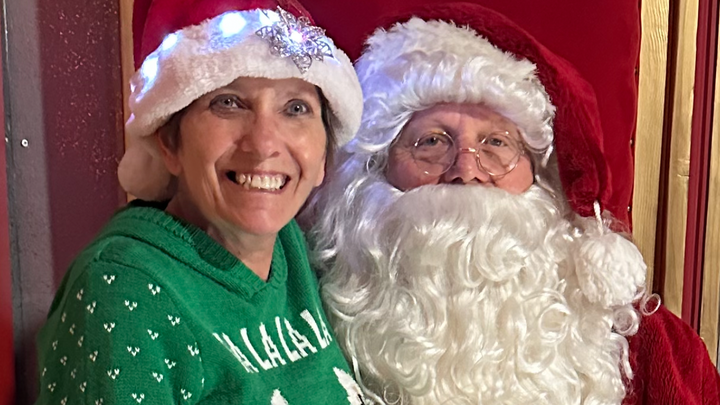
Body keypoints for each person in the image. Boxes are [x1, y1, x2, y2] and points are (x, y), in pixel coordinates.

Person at [308, 3, 720, 404]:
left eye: (496, 144)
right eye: (431, 142)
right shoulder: (303, 324)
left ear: (540, 176)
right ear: (375, 169)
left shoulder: (658, 352)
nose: (466, 170)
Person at [34, 0, 368, 403]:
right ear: (168, 141)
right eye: (228, 102)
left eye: (296, 108)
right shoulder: (125, 290)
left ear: (323, 158)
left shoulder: (291, 247)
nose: (264, 144)